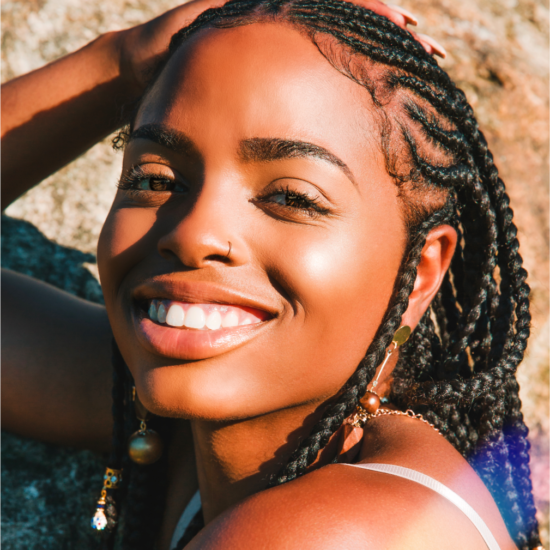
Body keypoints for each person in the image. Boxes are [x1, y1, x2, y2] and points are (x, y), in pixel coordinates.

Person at [0, 0, 545, 549]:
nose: (194, 234)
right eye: (156, 178)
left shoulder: (334, 535)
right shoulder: (206, 420)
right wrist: (121, 59)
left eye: (291, 197)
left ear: (421, 271)